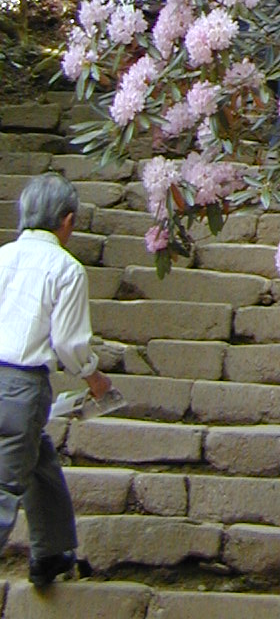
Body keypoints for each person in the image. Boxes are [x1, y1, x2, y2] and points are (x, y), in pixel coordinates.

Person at [0, 173, 111, 589]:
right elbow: (67, 341)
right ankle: (50, 553)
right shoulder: (66, 268)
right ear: (67, 220)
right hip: (21, 386)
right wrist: (93, 377)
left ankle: (50, 553)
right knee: (5, 485)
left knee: (39, 461)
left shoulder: (2, 256)